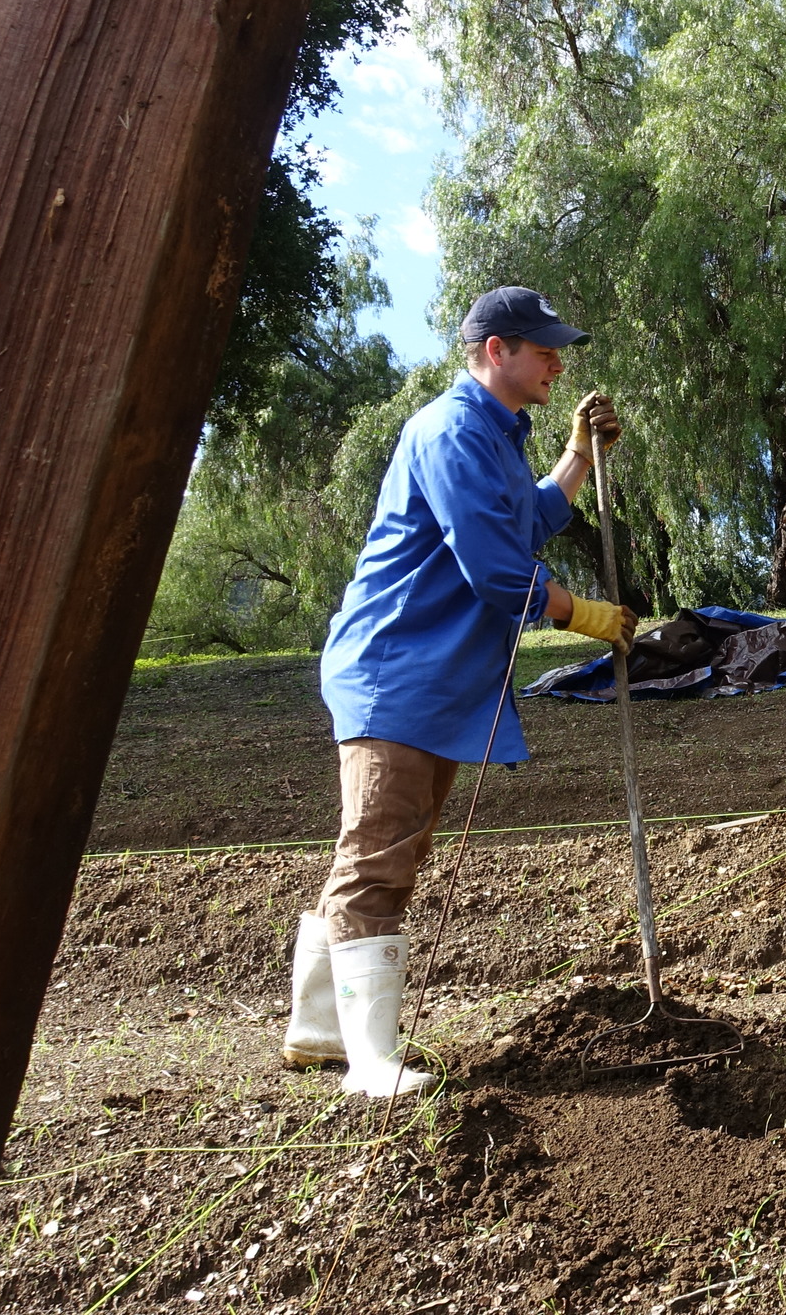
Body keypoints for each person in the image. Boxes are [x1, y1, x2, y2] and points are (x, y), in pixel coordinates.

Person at [282, 285, 639, 1098]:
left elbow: (531, 516)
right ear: (494, 352)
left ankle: (318, 1028)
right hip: (396, 670)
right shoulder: (450, 429)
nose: (556, 360)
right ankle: (368, 1063)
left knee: (386, 847)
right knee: (378, 853)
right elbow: (495, 569)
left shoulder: (492, 436)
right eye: (541, 346)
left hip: (430, 677)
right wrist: (582, 612)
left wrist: (579, 454)